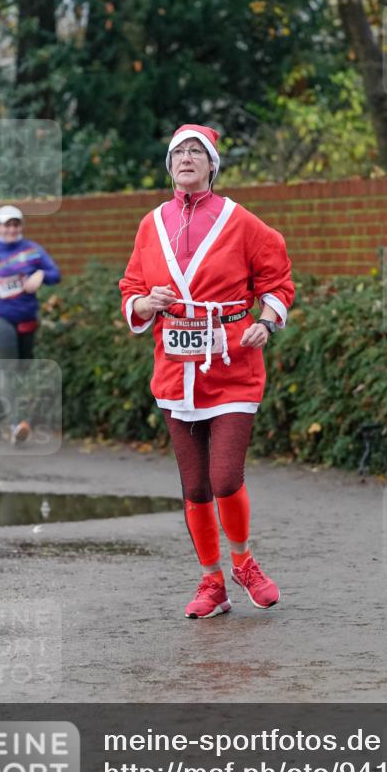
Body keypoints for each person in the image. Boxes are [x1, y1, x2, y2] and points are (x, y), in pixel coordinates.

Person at [119, 124, 294, 619]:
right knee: (194, 485)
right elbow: (131, 284)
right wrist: (144, 301)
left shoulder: (241, 221)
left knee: (224, 477)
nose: (187, 159)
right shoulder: (151, 223)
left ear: (212, 165)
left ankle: (243, 563)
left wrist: (266, 320)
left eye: (197, 152)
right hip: (175, 369)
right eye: (179, 153)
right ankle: (211, 581)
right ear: (169, 165)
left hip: (232, 363)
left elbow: (278, 280)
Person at [0, 204, 61, 443]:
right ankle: (17, 422)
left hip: (26, 318)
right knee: (8, 368)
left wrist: (41, 275)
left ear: (21, 226)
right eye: (6, 224)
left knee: (18, 371)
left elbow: (55, 273)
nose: (11, 229)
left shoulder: (32, 250)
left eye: (15, 224)